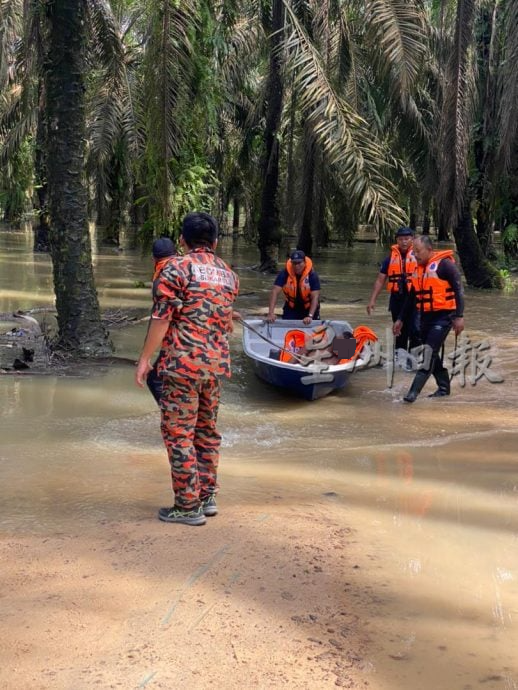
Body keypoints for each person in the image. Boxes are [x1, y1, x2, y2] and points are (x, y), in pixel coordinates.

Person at [135, 212, 239, 526]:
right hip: (215, 366)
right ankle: (207, 498)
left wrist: (144, 360)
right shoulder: (228, 274)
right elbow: (225, 322)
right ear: (216, 242)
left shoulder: (175, 269)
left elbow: (162, 318)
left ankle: (187, 507)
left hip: (181, 366)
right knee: (206, 433)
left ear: (182, 240)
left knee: (178, 434)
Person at [394, 235, 465, 403]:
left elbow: (459, 291)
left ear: (429, 250)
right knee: (431, 353)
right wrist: (400, 320)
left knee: (428, 353)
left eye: (418, 251)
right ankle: (444, 388)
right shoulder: (418, 270)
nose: (415, 255)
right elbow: (411, 298)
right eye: (414, 252)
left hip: (444, 317)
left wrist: (459, 316)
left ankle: (411, 395)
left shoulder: (445, 265)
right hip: (425, 317)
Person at [366, 227, 419, 351]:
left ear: (413, 239)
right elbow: (380, 280)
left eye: (407, 239)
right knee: (399, 330)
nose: (404, 242)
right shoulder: (390, 258)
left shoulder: (419, 256)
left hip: (415, 298)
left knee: (416, 329)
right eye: (401, 239)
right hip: (397, 298)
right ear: (397, 240)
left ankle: (414, 357)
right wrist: (372, 300)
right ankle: (400, 357)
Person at [146, 237, 177, 405]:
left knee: (154, 380)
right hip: (211, 344)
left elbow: (161, 319)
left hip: (179, 342)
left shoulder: (162, 278)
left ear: (154, 259)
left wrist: (145, 357)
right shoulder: (188, 268)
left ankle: (171, 416)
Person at [266, 249, 321, 325]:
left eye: (299, 263)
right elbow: (275, 292)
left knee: (314, 330)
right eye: (294, 263)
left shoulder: (312, 275)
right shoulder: (284, 273)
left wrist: (310, 316)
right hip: (291, 307)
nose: (296, 266)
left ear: (304, 262)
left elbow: (315, 297)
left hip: (309, 308)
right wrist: (270, 313)